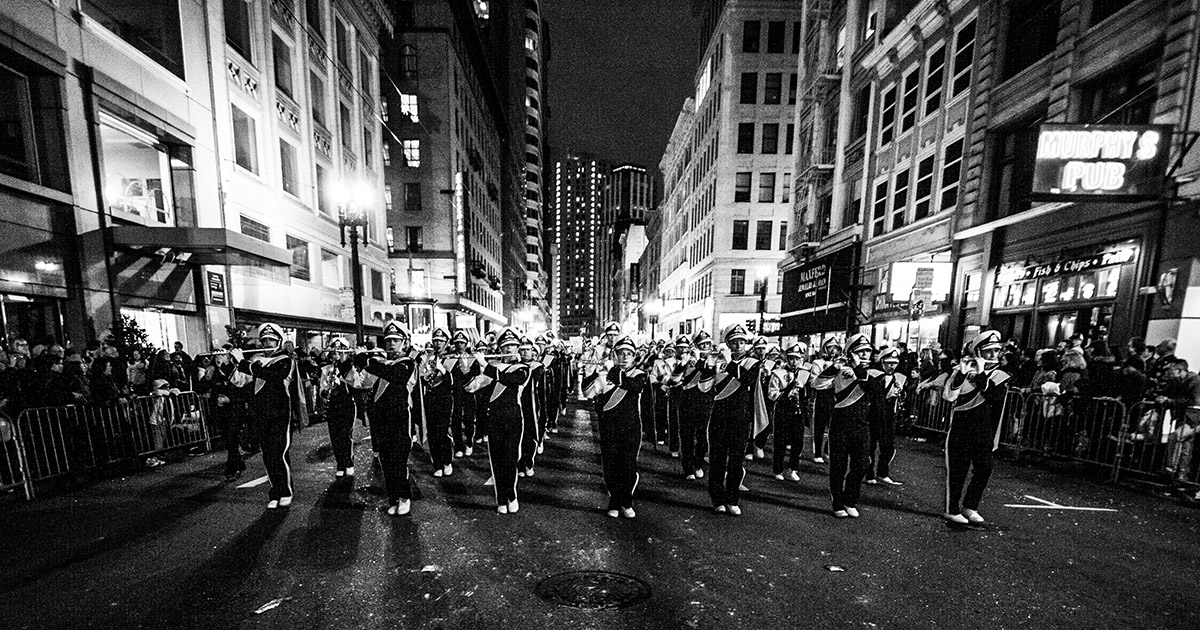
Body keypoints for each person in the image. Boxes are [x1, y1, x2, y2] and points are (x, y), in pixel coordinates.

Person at [232, 324, 307, 509]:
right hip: (261, 416)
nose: (267, 343)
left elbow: (274, 375)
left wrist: (244, 363)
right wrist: (231, 362)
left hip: (281, 415)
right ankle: (275, 492)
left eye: (271, 340)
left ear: (279, 341)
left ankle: (286, 491)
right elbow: (239, 381)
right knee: (267, 456)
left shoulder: (285, 360)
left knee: (278, 454)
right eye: (264, 340)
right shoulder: (256, 361)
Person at [942, 330, 1011, 525]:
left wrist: (980, 374)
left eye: (996, 350)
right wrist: (962, 374)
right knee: (957, 471)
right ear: (978, 351)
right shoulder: (960, 370)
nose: (993, 355)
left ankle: (970, 506)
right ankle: (951, 509)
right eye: (988, 351)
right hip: (961, 430)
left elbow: (994, 396)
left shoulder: (1000, 375)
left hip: (984, 431)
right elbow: (949, 396)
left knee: (984, 469)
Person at [355, 322, 418, 516]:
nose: (391, 344)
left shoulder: (408, 362)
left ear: (403, 342)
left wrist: (370, 363)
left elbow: (396, 376)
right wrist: (355, 364)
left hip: (400, 418)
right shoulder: (379, 363)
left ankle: (405, 497)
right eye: (389, 340)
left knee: (399, 461)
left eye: (396, 341)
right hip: (381, 418)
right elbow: (363, 384)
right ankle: (393, 498)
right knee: (386, 461)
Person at [464, 328, 530, 514]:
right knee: (497, 460)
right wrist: (467, 369)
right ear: (500, 347)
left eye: (513, 346)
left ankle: (511, 495)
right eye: (506, 346)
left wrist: (486, 365)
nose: (510, 349)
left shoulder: (522, 368)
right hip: (494, 417)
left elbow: (513, 379)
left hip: (513, 417)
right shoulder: (491, 368)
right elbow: (471, 387)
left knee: (510, 458)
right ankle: (501, 498)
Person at [583, 334, 647, 518]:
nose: (625, 357)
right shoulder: (605, 376)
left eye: (629, 353)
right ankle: (614, 499)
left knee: (628, 466)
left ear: (634, 356)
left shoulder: (639, 375)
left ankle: (625, 502)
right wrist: (589, 374)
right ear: (614, 355)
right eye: (621, 353)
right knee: (610, 467)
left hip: (631, 428)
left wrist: (611, 372)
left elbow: (634, 386)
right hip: (609, 427)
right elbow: (588, 393)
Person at [823, 334, 882, 519]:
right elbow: (819, 384)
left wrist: (857, 368)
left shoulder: (874, 374)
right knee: (838, 466)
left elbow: (873, 391)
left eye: (867, 351)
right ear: (851, 353)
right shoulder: (841, 370)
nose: (865, 354)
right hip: (840, 424)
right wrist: (834, 367)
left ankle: (850, 499)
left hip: (862, 426)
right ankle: (838, 502)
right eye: (860, 351)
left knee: (862, 464)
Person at [707, 324, 762, 516]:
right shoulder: (718, 361)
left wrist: (730, 363)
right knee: (717, 460)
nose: (739, 345)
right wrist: (707, 366)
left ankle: (732, 499)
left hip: (739, 417)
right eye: (734, 342)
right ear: (728, 343)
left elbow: (748, 380)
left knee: (736, 462)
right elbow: (706, 386)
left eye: (742, 341)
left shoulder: (752, 362)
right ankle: (718, 499)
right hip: (719, 415)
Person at [768, 343, 812, 482]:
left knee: (798, 442)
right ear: (786, 358)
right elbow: (771, 393)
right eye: (791, 358)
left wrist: (803, 390)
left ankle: (793, 468)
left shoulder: (805, 373)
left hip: (798, 412)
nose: (794, 362)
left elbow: (811, 390)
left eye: (797, 359)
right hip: (783, 410)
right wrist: (787, 390)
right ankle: (778, 469)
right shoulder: (778, 373)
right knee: (780, 441)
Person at [867, 346, 906, 486]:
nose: (892, 366)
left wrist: (900, 392)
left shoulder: (900, 377)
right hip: (873, 415)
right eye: (889, 363)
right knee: (870, 446)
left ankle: (883, 472)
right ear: (882, 362)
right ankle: (869, 473)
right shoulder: (873, 374)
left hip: (890, 416)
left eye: (894, 363)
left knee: (888, 446)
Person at [324, 338, 358, 478]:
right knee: (335, 436)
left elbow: (356, 386)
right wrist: (326, 391)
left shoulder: (352, 368)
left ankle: (348, 462)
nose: (337, 355)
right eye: (334, 352)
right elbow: (323, 387)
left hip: (347, 404)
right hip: (333, 405)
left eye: (341, 352)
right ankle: (340, 463)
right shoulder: (326, 369)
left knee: (345, 435)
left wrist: (342, 382)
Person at [423, 328, 455, 478]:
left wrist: (443, 371)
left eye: (441, 341)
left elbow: (454, 382)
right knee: (432, 432)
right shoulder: (428, 357)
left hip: (444, 398)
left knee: (442, 432)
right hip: (430, 397)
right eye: (435, 340)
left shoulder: (452, 358)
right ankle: (437, 463)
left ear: (447, 342)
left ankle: (447, 461)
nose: (437, 344)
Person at [446, 330, 481, 457]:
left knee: (469, 419)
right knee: (455, 419)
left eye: (462, 343)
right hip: (455, 393)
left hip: (469, 392)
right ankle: (458, 446)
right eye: (457, 343)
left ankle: (469, 442)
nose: (460, 345)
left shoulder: (473, 358)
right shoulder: (449, 358)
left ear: (466, 344)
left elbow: (478, 374)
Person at [810, 337, 844, 464]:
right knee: (819, 426)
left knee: (835, 426)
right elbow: (814, 383)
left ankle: (827, 450)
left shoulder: (841, 362)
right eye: (830, 347)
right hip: (822, 397)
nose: (833, 350)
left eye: (835, 347)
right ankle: (817, 452)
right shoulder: (817, 363)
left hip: (835, 397)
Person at [517, 335, 545, 476]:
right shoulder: (515, 367)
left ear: (533, 351)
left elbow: (542, 391)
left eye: (527, 350)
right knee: (519, 437)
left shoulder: (538, 367)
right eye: (521, 350)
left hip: (533, 405)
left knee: (530, 435)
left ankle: (528, 463)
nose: (524, 353)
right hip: (518, 405)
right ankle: (520, 464)